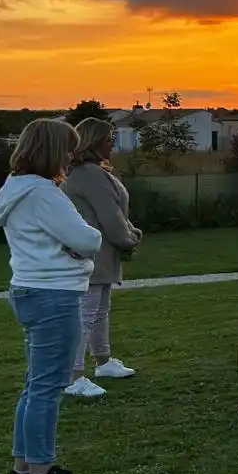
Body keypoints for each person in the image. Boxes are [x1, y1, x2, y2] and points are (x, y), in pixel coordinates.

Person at [0, 119, 103, 474]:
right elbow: (87, 239)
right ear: (54, 151)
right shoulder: (44, 194)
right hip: (54, 294)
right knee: (48, 387)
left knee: (34, 384)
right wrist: (80, 242)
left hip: (29, 289)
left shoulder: (16, 188)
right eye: (68, 150)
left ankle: (23, 471)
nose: (71, 158)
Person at [61, 117, 142, 397]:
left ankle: (103, 361)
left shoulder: (88, 173)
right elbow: (110, 215)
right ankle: (73, 375)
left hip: (100, 252)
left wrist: (128, 233)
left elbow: (114, 212)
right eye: (109, 139)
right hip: (92, 253)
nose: (113, 144)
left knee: (99, 310)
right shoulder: (89, 175)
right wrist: (128, 239)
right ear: (95, 143)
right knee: (86, 314)